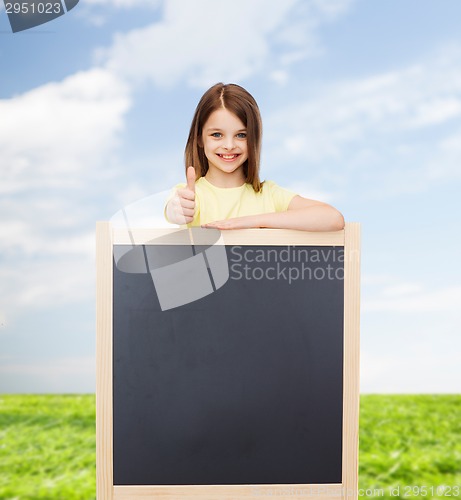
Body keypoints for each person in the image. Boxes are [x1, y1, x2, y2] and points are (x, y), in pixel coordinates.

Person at [165, 83, 344, 231]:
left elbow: (333, 218)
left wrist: (251, 221)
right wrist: (177, 211)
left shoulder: (269, 195)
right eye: (217, 135)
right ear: (199, 139)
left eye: (241, 135)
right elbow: (174, 209)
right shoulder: (189, 196)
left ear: (254, 140)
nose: (229, 145)